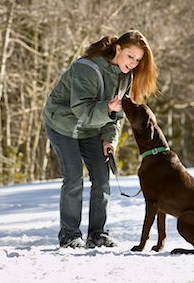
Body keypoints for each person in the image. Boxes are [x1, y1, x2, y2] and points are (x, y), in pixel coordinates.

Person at [43, 30, 157, 248]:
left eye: (138, 60)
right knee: (74, 176)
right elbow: (82, 111)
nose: (133, 63)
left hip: (93, 129)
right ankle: (69, 235)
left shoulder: (126, 76)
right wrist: (107, 108)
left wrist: (109, 140)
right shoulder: (86, 68)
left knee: (102, 178)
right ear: (118, 49)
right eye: (130, 56)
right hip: (63, 125)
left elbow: (118, 116)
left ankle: (98, 234)